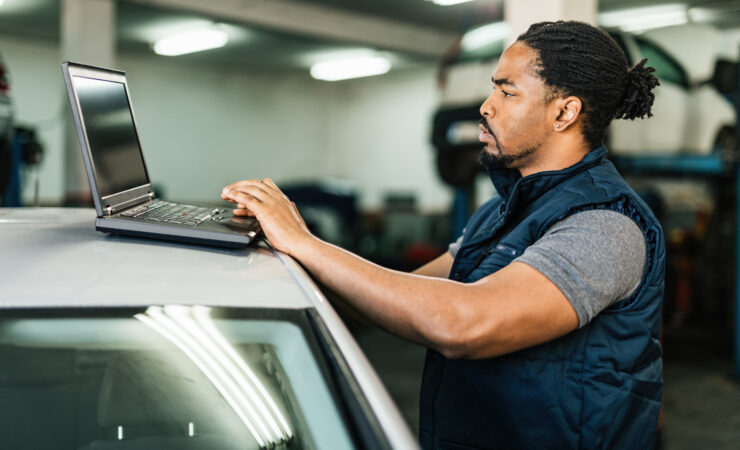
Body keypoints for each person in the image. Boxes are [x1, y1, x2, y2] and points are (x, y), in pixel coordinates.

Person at [222, 20, 664, 450]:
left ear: (565, 112)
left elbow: (463, 323)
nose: (486, 106)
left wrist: (306, 244)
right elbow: (401, 295)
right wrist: (280, 254)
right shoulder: (500, 211)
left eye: (507, 91)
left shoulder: (605, 223)